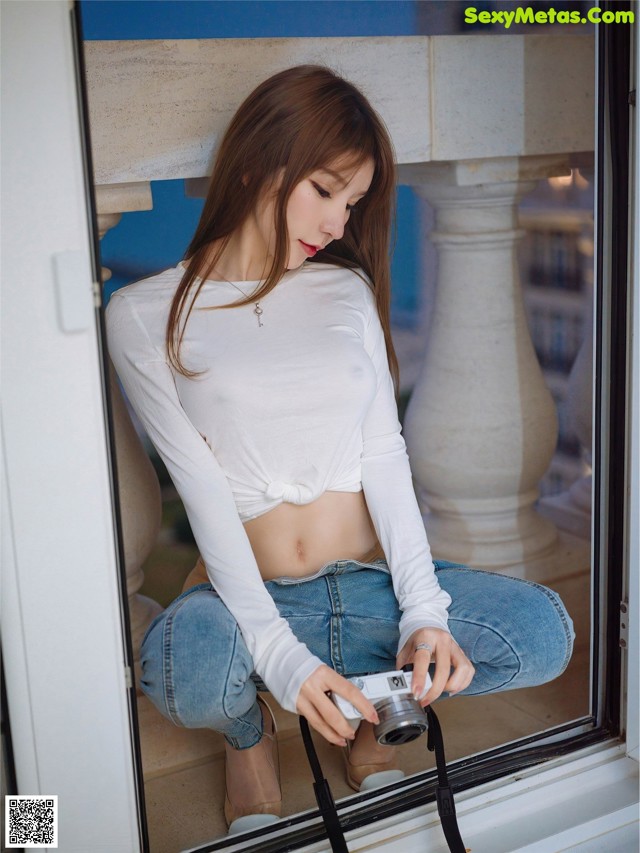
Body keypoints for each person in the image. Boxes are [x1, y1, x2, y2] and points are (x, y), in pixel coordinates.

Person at [106, 65, 574, 830]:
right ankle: (247, 734)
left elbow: (385, 459)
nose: (335, 223)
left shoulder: (344, 290)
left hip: (368, 590)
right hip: (243, 596)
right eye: (325, 190)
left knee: (544, 635)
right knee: (186, 668)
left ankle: (374, 704)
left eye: (352, 204)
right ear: (260, 160)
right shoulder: (142, 313)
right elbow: (199, 489)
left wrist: (423, 610)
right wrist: (280, 660)